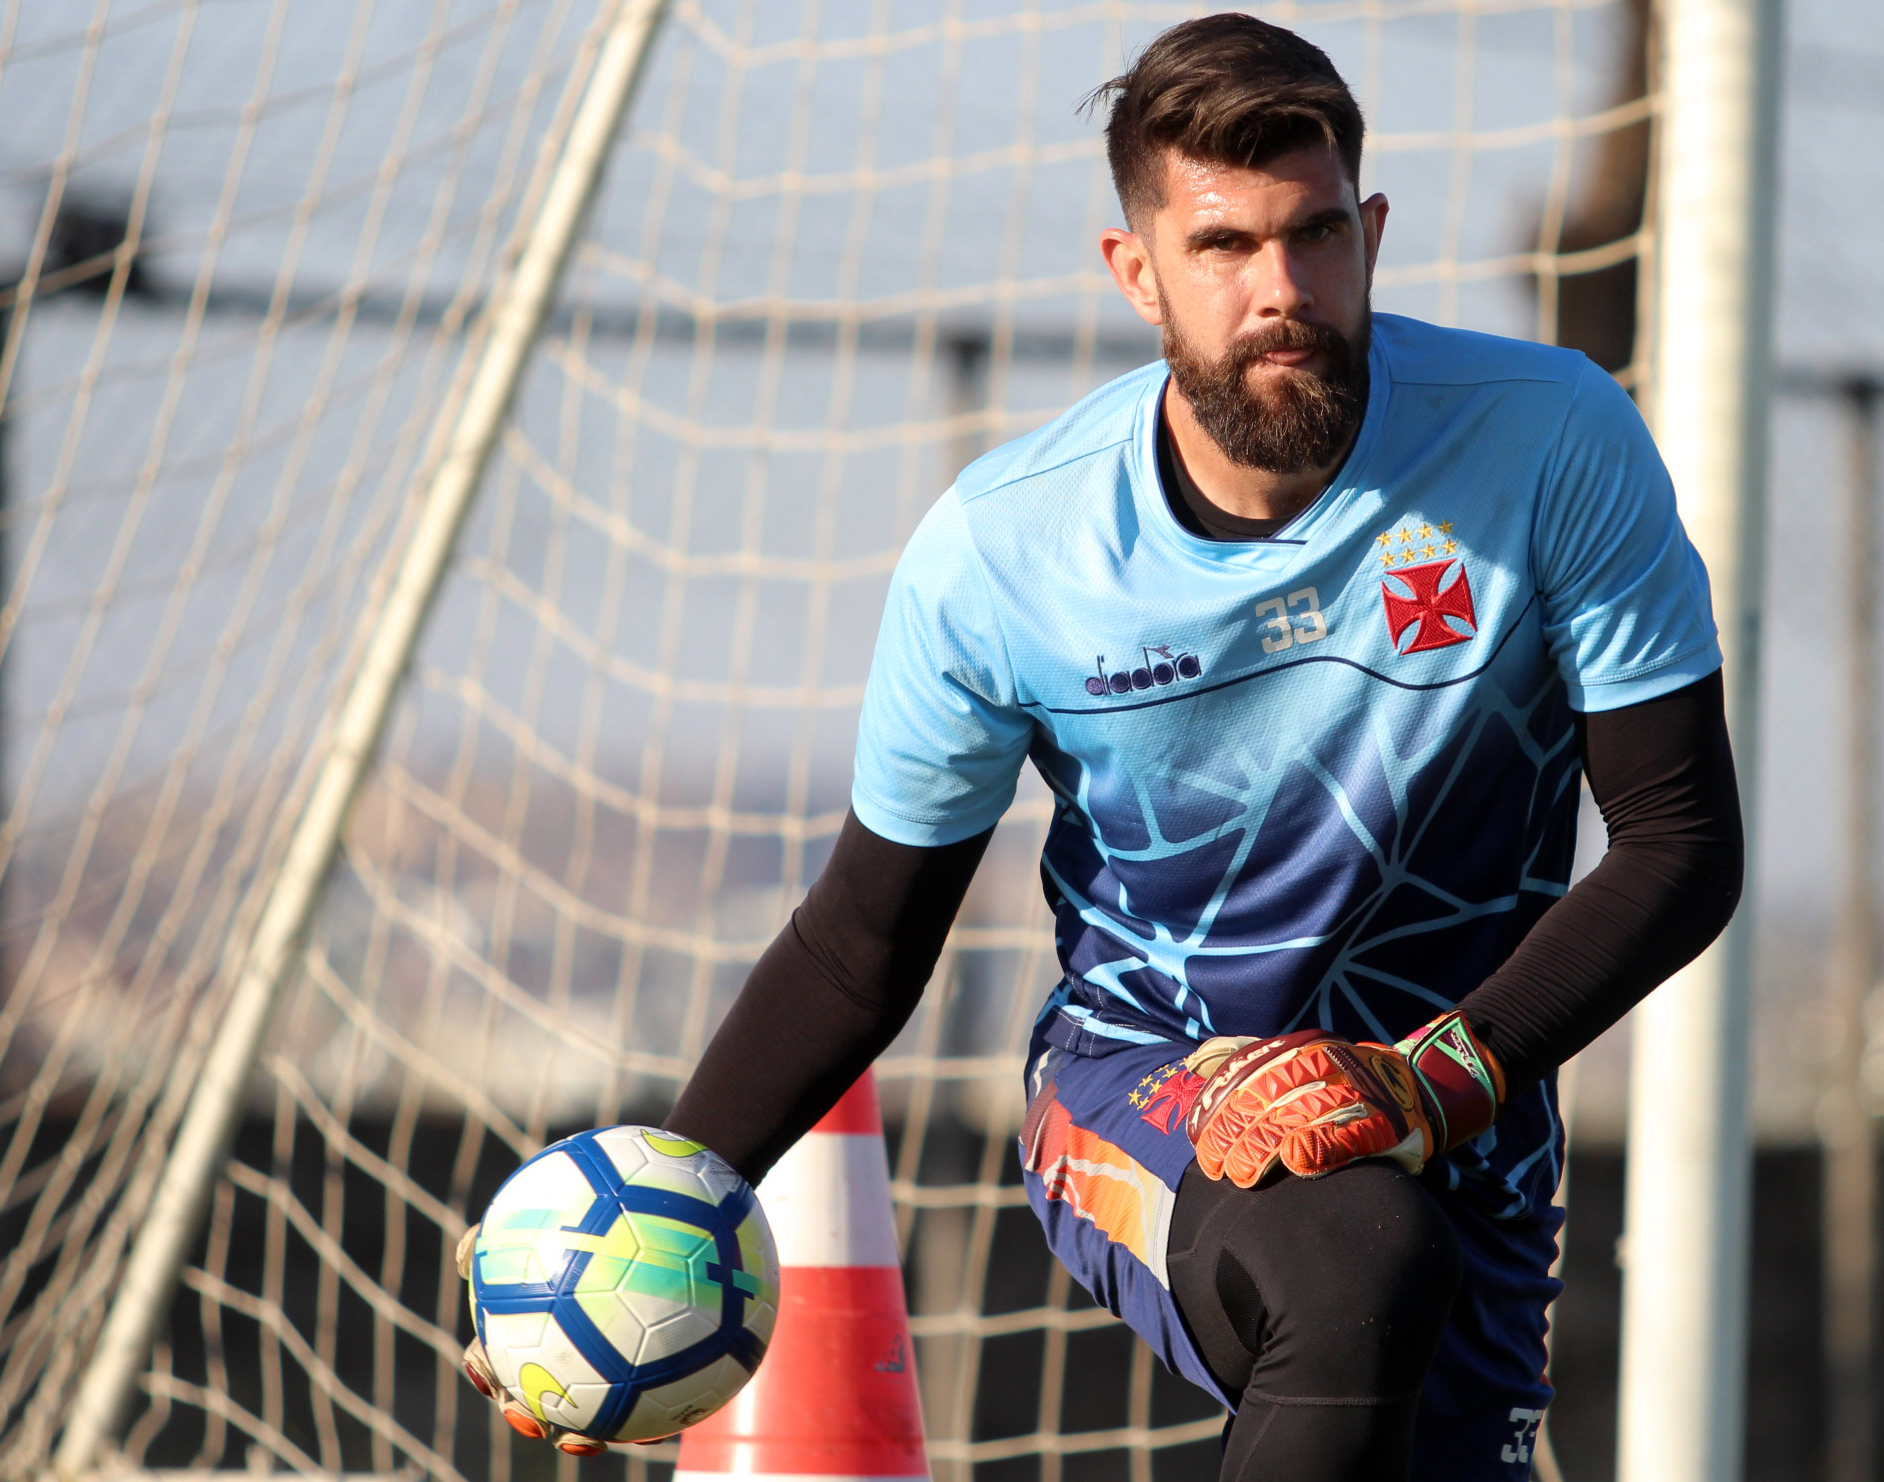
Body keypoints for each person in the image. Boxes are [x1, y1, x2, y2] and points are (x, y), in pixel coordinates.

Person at [462, 14, 1743, 1479]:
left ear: (1372, 234)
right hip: (1141, 1083)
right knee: (1356, 1265)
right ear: (1136, 272)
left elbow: (1680, 843)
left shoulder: (1552, 443)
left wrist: (1434, 1082)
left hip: (1456, 1107)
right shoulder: (1005, 551)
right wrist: (654, 1217)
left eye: (1315, 235)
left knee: (1407, 1329)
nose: (1281, 292)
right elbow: (859, 947)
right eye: (1222, 247)